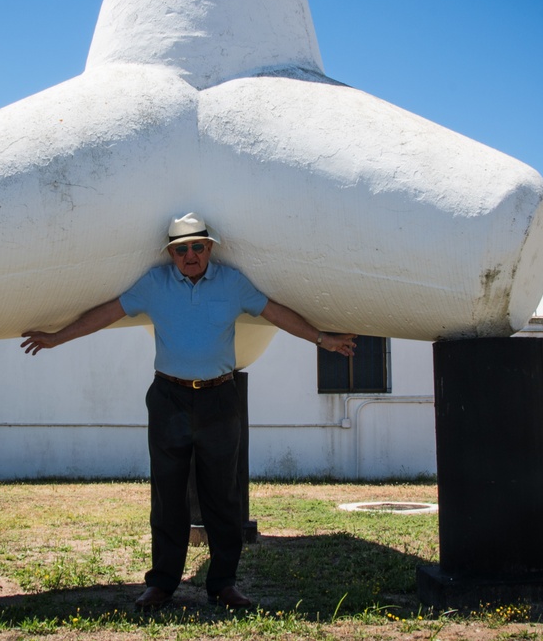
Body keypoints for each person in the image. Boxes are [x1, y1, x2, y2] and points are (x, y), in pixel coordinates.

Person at [21, 212, 356, 610]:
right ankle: (162, 583)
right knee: (168, 495)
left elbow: (276, 313)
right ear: (172, 254)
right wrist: (58, 338)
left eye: (198, 246)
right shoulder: (154, 285)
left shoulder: (233, 283)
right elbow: (105, 314)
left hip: (220, 400)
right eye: (181, 249)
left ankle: (224, 584)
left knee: (222, 496)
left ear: (210, 247)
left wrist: (322, 340)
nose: (190, 255)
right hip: (169, 398)